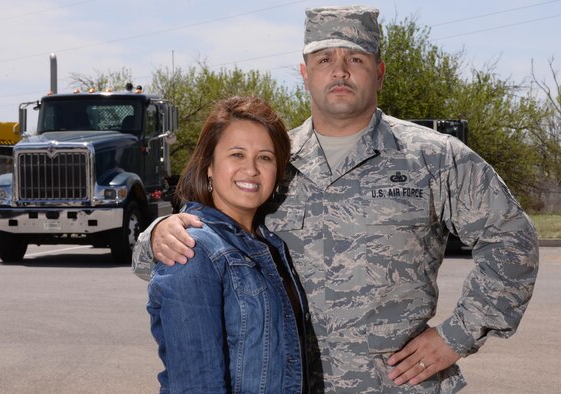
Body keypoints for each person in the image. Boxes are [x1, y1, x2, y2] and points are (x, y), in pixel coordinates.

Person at [133, 6, 539, 392]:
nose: (340, 71)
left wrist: (458, 334)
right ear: (305, 74)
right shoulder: (272, 160)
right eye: (325, 59)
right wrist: (156, 234)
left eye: (357, 59)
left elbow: (512, 240)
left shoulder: (434, 158)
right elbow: (213, 235)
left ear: (378, 73)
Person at [145, 96, 308, 393]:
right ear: (209, 166)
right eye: (237, 155)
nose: (252, 169)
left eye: (265, 157)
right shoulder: (194, 249)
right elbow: (195, 385)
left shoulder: (269, 243)